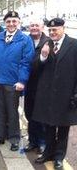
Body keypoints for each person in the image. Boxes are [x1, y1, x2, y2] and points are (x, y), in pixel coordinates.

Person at [0, 11, 34, 151]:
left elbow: (26, 62)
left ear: (18, 22)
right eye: (8, 22)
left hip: (13, 83)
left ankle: (14, 138)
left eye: (14, 21)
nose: (11, 24)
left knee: (12, 112)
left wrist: (22, 81)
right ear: (4, 23)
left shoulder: (25, 40)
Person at [32, 18, 77, 169]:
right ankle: (48, 154)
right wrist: (43, 56)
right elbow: (35, 69)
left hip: (66, 95)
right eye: (50, 30)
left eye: (55, 29)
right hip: (47, 95)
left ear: (63, 28)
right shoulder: (46, 44)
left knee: (63, 128)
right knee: (49, 126)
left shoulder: (74, 45)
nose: (52, 33)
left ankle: (59, 157)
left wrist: (76, 94)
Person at [23, 18, 49, 154]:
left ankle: (43, 142)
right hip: (29, 84)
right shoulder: (25, 41)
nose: (34, 27)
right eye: (32, 25)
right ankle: (32, 141)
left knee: (42, 114)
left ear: (42, 27)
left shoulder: (48, 42)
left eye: (36, 25)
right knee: (29, 113)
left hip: (43, 84)